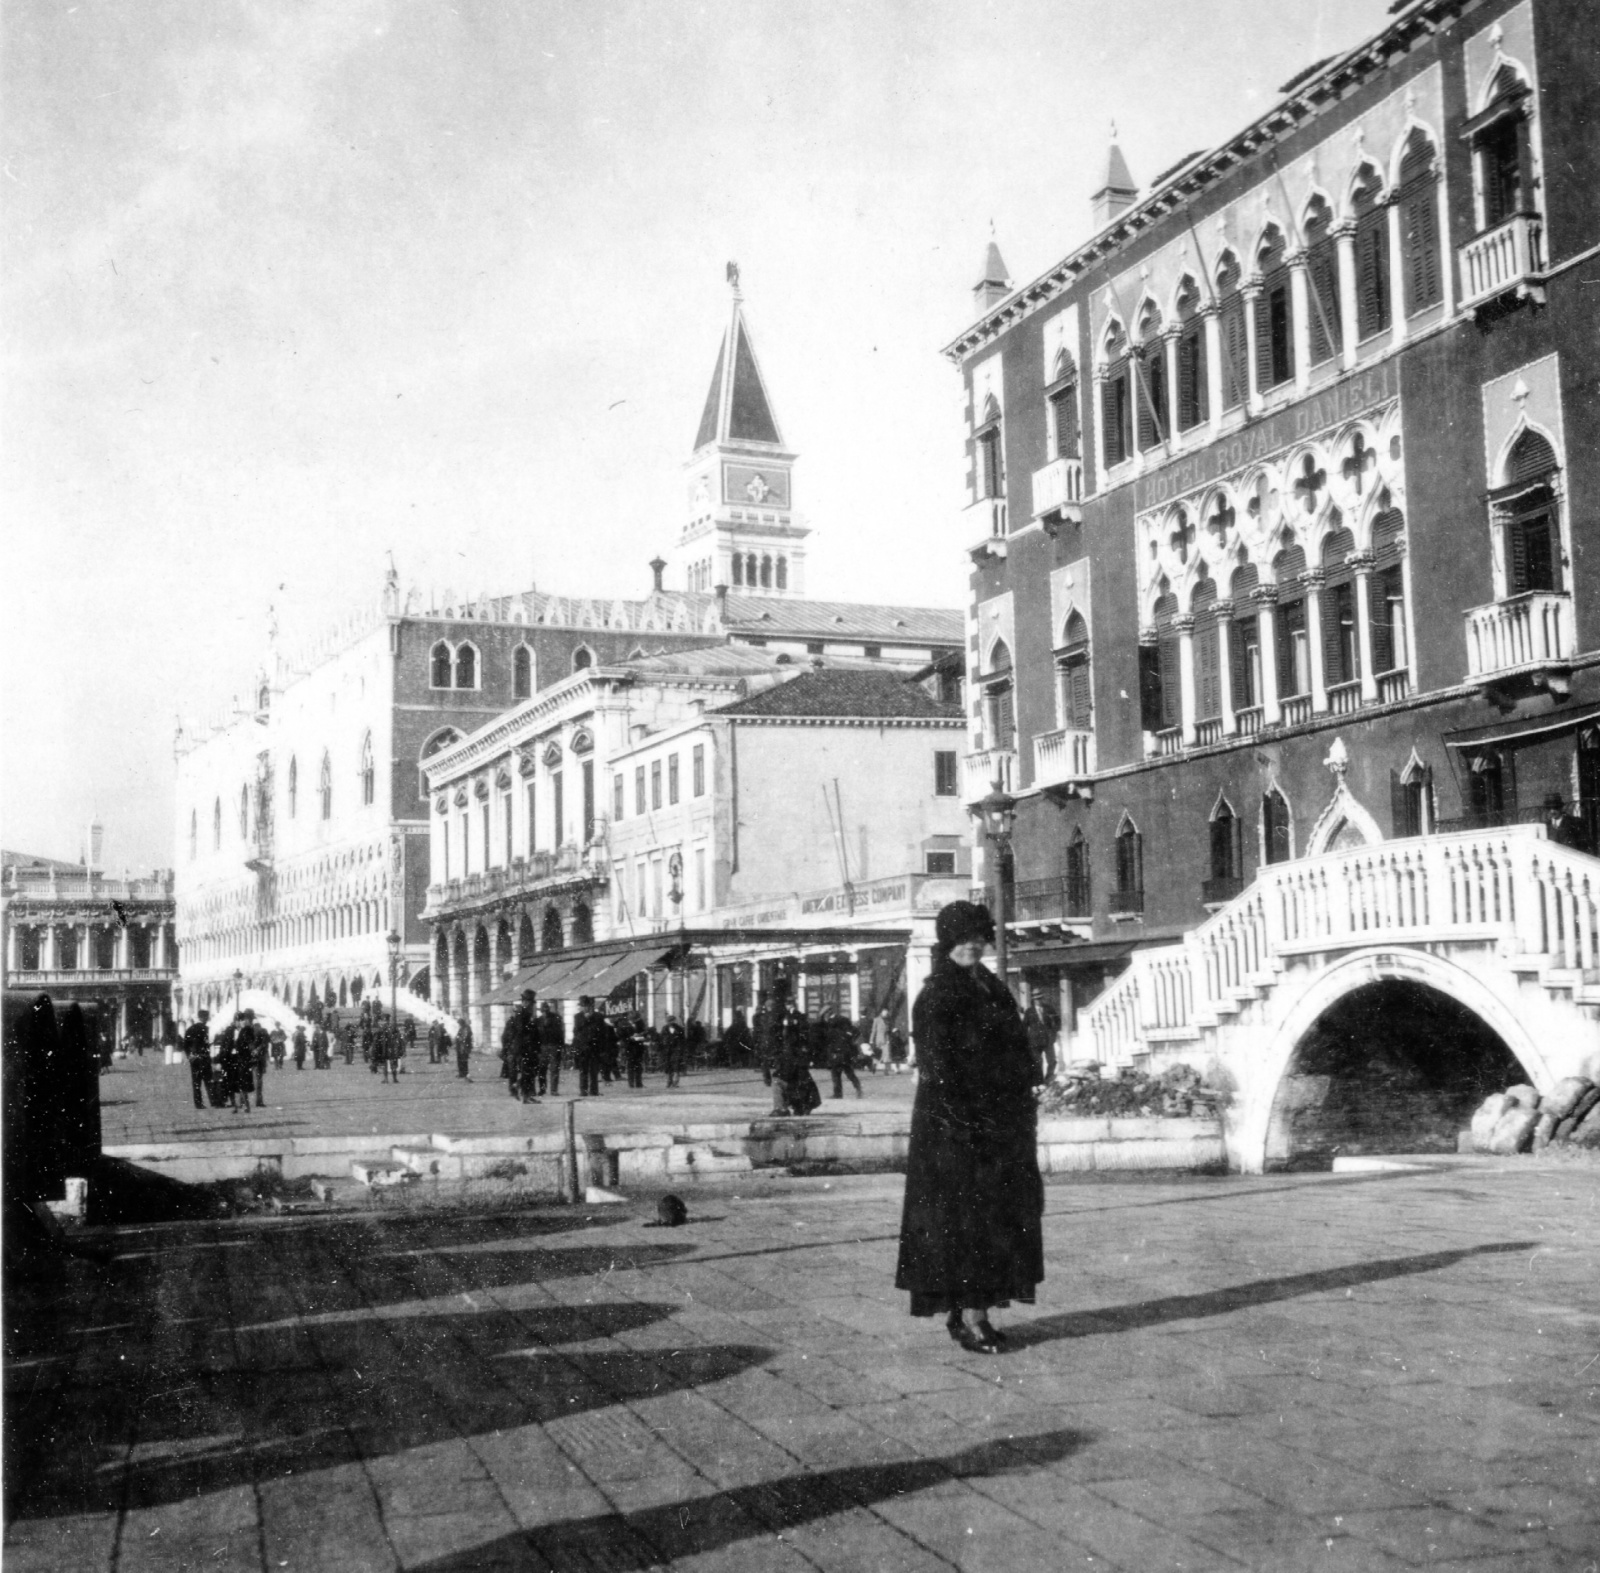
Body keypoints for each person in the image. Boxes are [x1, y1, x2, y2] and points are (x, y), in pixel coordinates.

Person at [895, 901, 1043, 1356]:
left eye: (978, 938)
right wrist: (970, 1121)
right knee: (967, 1221)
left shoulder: (992, 989)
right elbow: (940, 1067)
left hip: (998, 1124)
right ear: (946, 943)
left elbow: (1016, 1047)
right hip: (956, 1127)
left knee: (995, 1219)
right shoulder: (937, 994)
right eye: (962, 939)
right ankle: (971, 1316)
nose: (970, 946)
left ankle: (971, 1311)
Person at [825, 1009, 863, 1099]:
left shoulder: (832, 1025)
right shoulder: (845, 1023)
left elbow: (829, 1039)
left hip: (837, 1051)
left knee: (836, 1073)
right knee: (848, 1071)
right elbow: (855, 1032)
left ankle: (838, 1093)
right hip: (845, 1051)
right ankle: (858, 1088)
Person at [1021, 998, 1058, 1086]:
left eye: (1040, 998)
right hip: (1034, 1041)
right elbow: (1024, 1026)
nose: (1039, 1001)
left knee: (1052, 1060)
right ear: (1033, 1000)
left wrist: (1054, 1034)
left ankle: (1049, 1078)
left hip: (1048, 1039)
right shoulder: (1029, 1011)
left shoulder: (1049, 1009)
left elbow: (1057, 1022)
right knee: (1037, 1062)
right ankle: (1039, 1082)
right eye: (1036, 999)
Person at [182, 1011, 213, 1110]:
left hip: (194, 1059)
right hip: (204, 1058)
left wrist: (189, 1055)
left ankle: (198, 1103)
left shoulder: (190, 1029)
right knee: (208, 1081)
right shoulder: (206, 1029)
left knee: (196, 1082)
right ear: (204, 1018)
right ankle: (213, 1101)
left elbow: (185, 1045)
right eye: (207, 1017)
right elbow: (208, 1044)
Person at [573, 997, 602, 1097]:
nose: (585, 1008)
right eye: (583, 1006)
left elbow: (601, 1031)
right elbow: (576, 1030)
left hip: (594, 1047)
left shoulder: (598, 1016)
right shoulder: (578, 1017)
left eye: (587, 1006)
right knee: (583, 1070)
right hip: (583, 1047)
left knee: (594, 1070)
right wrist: (586, 1019)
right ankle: (583, 1090)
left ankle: (594, 1090)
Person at [538, 1002, 565, 1096]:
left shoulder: (556, 1018)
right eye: (543, 1010)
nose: (545, 1012)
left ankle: (554, 1090)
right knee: (542, 1069)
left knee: (554, 1069)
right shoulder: (538, 1020)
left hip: (554, 1045)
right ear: (541, 1011)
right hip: (543, 1046)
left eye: (546, 1009)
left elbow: (560, 1032)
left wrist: (561, 1045)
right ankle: (542, 1089)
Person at [661, 1016, 686, 1088]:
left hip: (676, 1049)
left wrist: (681, 1049)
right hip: (667, 1050)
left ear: (674, 1021)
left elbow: (683, 1040)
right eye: (668, 1021)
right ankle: (669, 1081)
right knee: (668, 1065)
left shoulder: (679, 1029)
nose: (670, 1023)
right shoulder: (664, 1028)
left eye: (671, 1021)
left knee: (676, 1065)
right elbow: (661, 1038)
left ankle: (676, 1082)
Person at [623, 1014, 647, 1088]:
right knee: (630, 1066)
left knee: (638, 1067)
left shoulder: (639, 1025)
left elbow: (645, 1033)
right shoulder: (625, 1026)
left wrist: (640, 1036)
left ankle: (639, 1083)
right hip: (630, 1048)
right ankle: (631, 1083)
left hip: (638, 1048)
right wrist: (631, 1038)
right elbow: (623, 1037)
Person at [869, 1008, 893, 1075]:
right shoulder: (876, 1020)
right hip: (879, 1040)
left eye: (886, 1013)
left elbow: (889, 1031)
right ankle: (874, 1065)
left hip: (886, 1039)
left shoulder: (888, 1020)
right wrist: (871, 1040)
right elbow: (873, 1031)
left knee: (886, 1054)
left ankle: (885, 1070)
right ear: (881, 1013)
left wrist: (889, 1039)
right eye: (884, 1013)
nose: (886, 1014)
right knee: (877, 1054)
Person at [454, 1015, 473, 1080]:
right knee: (460, 1061)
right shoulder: (462, 1028)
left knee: (464, 1061)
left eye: (459, 1023)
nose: (458, 1024)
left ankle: (465, 1073)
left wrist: (459, 1038)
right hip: (460, 1047)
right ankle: (461, 1073)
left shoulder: (466, 1028)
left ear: (461, 1023)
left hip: (464, 1047)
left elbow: (465, 1037)